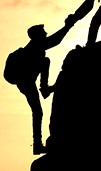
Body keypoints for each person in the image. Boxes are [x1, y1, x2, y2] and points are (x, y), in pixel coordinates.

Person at [17, 22, 73, 155]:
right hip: (26, 82)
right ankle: (37, 145)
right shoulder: (35, 46)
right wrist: (68, 26)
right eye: (43, 33)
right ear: (37, 36)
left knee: (45, 60)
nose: (46, 34)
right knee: (37, 112)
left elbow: (52, 41)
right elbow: (56, 40)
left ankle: (44, 88)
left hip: (26, 82)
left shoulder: (36, 47)